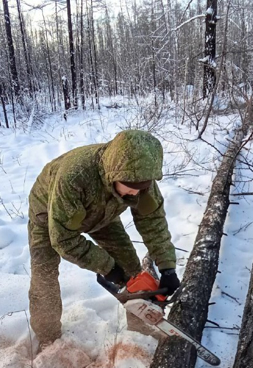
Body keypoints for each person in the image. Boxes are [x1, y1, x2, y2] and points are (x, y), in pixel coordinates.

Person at [26, 130, 181, 351]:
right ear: (112, 174)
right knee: (45, 274)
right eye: (128, 187)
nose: (134, 194)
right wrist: (108, 268)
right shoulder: (74, 177)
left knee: (131, 268)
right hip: (50, 217)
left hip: (102, 214)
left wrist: (167, 267)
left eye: (140, 188)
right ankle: (48, 337)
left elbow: (153, 222)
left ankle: (139, 327)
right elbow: (64, 240)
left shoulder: (141, 179)